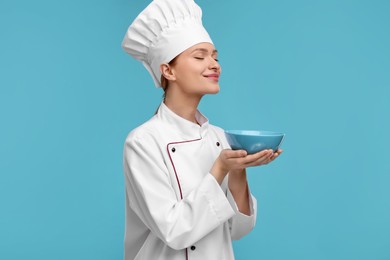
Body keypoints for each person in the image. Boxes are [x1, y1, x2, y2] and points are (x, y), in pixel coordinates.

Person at [121, 0, 282, 259]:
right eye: (200, 56)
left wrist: (238, 170)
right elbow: (175, 231)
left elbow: (236, 230)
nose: (215, 64)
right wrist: (220, 169)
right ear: (168, 70)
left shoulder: (220, 138)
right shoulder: (142, 142)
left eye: (215, 56)